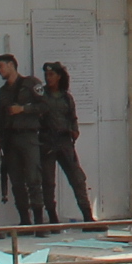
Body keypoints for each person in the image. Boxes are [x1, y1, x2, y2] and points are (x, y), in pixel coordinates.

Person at [0, 53, 47, 229]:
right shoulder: (3, 91)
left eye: (1, 66)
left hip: (28, 136)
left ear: (11, 65)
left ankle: (39, 223)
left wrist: (23, 109)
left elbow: (44, 106)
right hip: (10, 139)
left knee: (33, 178)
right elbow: (0, 115)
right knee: (16, 181)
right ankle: (25, 220)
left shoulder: (31, 84)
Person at [35, 60, 92, 224]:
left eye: (51, 74)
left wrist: (74, 130)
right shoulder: (41, 95)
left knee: (77, 178)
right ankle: (52, 217)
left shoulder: (66, 97)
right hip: (46, 141)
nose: (48, 78)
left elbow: (72, 117)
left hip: (64, 141)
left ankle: (87, 215)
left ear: (59, 76)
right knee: (48, 181)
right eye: (46, 75)